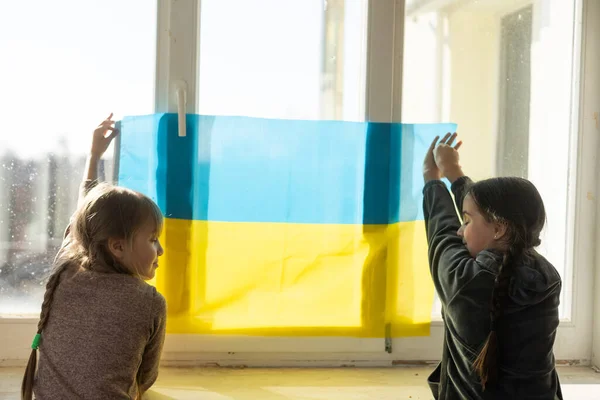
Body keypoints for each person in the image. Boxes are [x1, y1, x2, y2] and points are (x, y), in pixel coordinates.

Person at [21, 114, 167, 400]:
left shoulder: (65, 271)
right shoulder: (149, 301)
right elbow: (145, 380)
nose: (160, 250)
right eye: (152, 240)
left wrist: (94, 155)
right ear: (117, 247)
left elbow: (86, 219)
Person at [422, 133, 563, 399]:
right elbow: (490, 209)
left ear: (499, 229)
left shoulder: (464, 280)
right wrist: (455, 174)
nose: (460, 232)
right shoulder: (547, 275)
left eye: (466, 221)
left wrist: (432, 179)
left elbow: (441, 231)